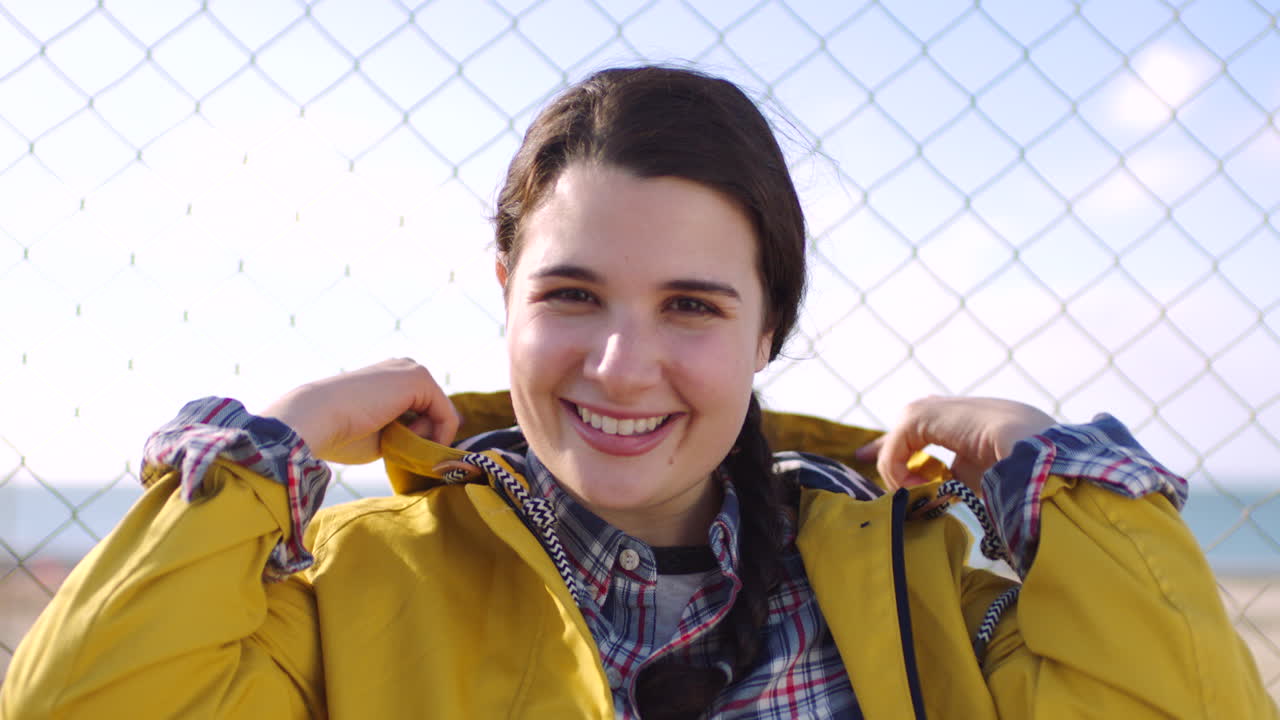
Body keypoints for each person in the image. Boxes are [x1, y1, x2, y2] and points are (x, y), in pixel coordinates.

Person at [2, 66, 1275, 720]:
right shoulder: (357, 583)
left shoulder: (911, 580)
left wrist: (1064, 475)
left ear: (768, 326)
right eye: (569, 296)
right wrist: (263, 447)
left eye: (691, 306)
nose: (619, 366)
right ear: (501, 289)